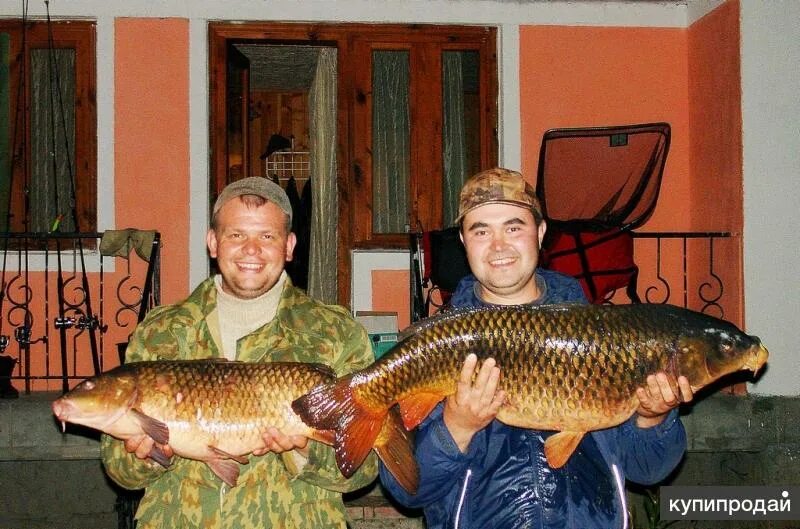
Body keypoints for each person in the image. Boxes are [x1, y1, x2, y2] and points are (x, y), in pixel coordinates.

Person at [379, 167, 693, 529]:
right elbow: (406, 490)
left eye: (513, 228)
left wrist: (652, 418)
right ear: (464, 242)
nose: (499, 246)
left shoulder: (599, 339)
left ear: (540, 233)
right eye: (481, 231)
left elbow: (649, 469)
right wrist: (457, 426)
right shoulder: (442, 346)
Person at [101, 177, 378, 528]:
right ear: (213, 242)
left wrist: (305, 451)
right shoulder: (162, 331)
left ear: (289, 246)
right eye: (236, 235)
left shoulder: (337, 335)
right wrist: (150, 456)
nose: (251, 249)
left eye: (267, 236)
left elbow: (365, 468)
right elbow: (118, 468)